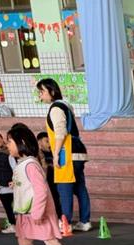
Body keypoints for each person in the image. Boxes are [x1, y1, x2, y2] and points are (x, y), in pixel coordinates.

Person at [5, 124, 80, 245]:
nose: (7, 145)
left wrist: (37, 213)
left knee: (51, 242)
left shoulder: (30, 164)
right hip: (25, 213)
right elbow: (28, 185)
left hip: (37, 213)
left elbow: (41, 190)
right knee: (24, 241)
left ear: (21, 142)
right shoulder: (22, 163)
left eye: (9, 141)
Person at [37, 78, 91, 231]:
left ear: (52, 91)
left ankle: (66, 222)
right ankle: (85, 221)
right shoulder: (66, 106)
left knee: (64, 188)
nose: (40, 95)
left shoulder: (55, 109)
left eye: (42, 92)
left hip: (66, 153)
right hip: (77, 151)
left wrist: (55, 155)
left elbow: (60, 132)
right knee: (79, 187)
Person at [36, 132, 63, 220]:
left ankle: (59, 218)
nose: (50, 144)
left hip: (55, 181)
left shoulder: (54, 152)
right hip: (45, 182)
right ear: (39, 142)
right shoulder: (37, 154)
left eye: (51, 141)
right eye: (47, 141)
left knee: (57, 199)